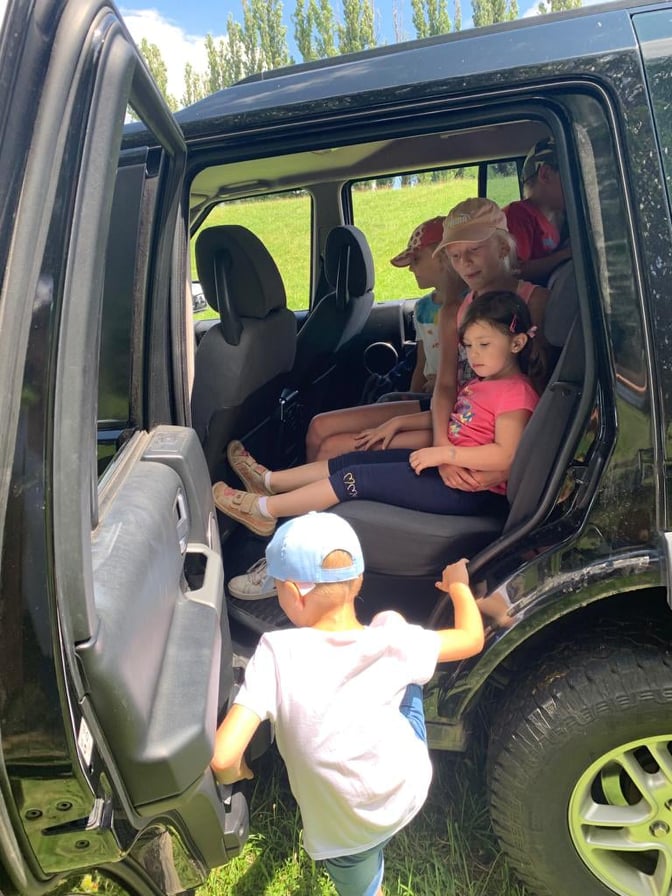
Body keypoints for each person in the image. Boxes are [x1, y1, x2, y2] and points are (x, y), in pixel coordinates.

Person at [211, 511, 485, 896]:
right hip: (404, 790)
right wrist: (459, 586)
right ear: (358, 582)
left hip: (346, 835)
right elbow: (472, 638)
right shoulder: (392, 642)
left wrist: (237, 770)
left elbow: (223, 758)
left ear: (291, 594)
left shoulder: (276, 653)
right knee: (393, 626)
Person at [213, 290, 540, 538]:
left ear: (517, 343)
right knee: (353, 461)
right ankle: (268, 481)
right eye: (467, 346)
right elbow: (458, 419)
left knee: (357, 479)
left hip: (471, 491)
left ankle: (264, 510)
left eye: (484, 344)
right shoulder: (483, 383)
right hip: (449, 469)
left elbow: (506, 455)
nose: (473, 355)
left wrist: (444, 453)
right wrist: (399, 423)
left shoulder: (516, 393)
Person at [305, 216, 465, 462]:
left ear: (442, 257)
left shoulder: (471, 307)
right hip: (430, 398)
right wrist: (411, 397)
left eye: (416, 260)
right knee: (321, 426)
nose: (411, 268)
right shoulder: (423, 309)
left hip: (455, 405)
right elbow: (421, 365)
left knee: (330, 443)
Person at [504, 137, 571, 285]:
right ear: (545, 174)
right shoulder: (519, 214)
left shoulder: (561, 217)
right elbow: (516, 271)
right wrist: (565, 255)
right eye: (571, 176)